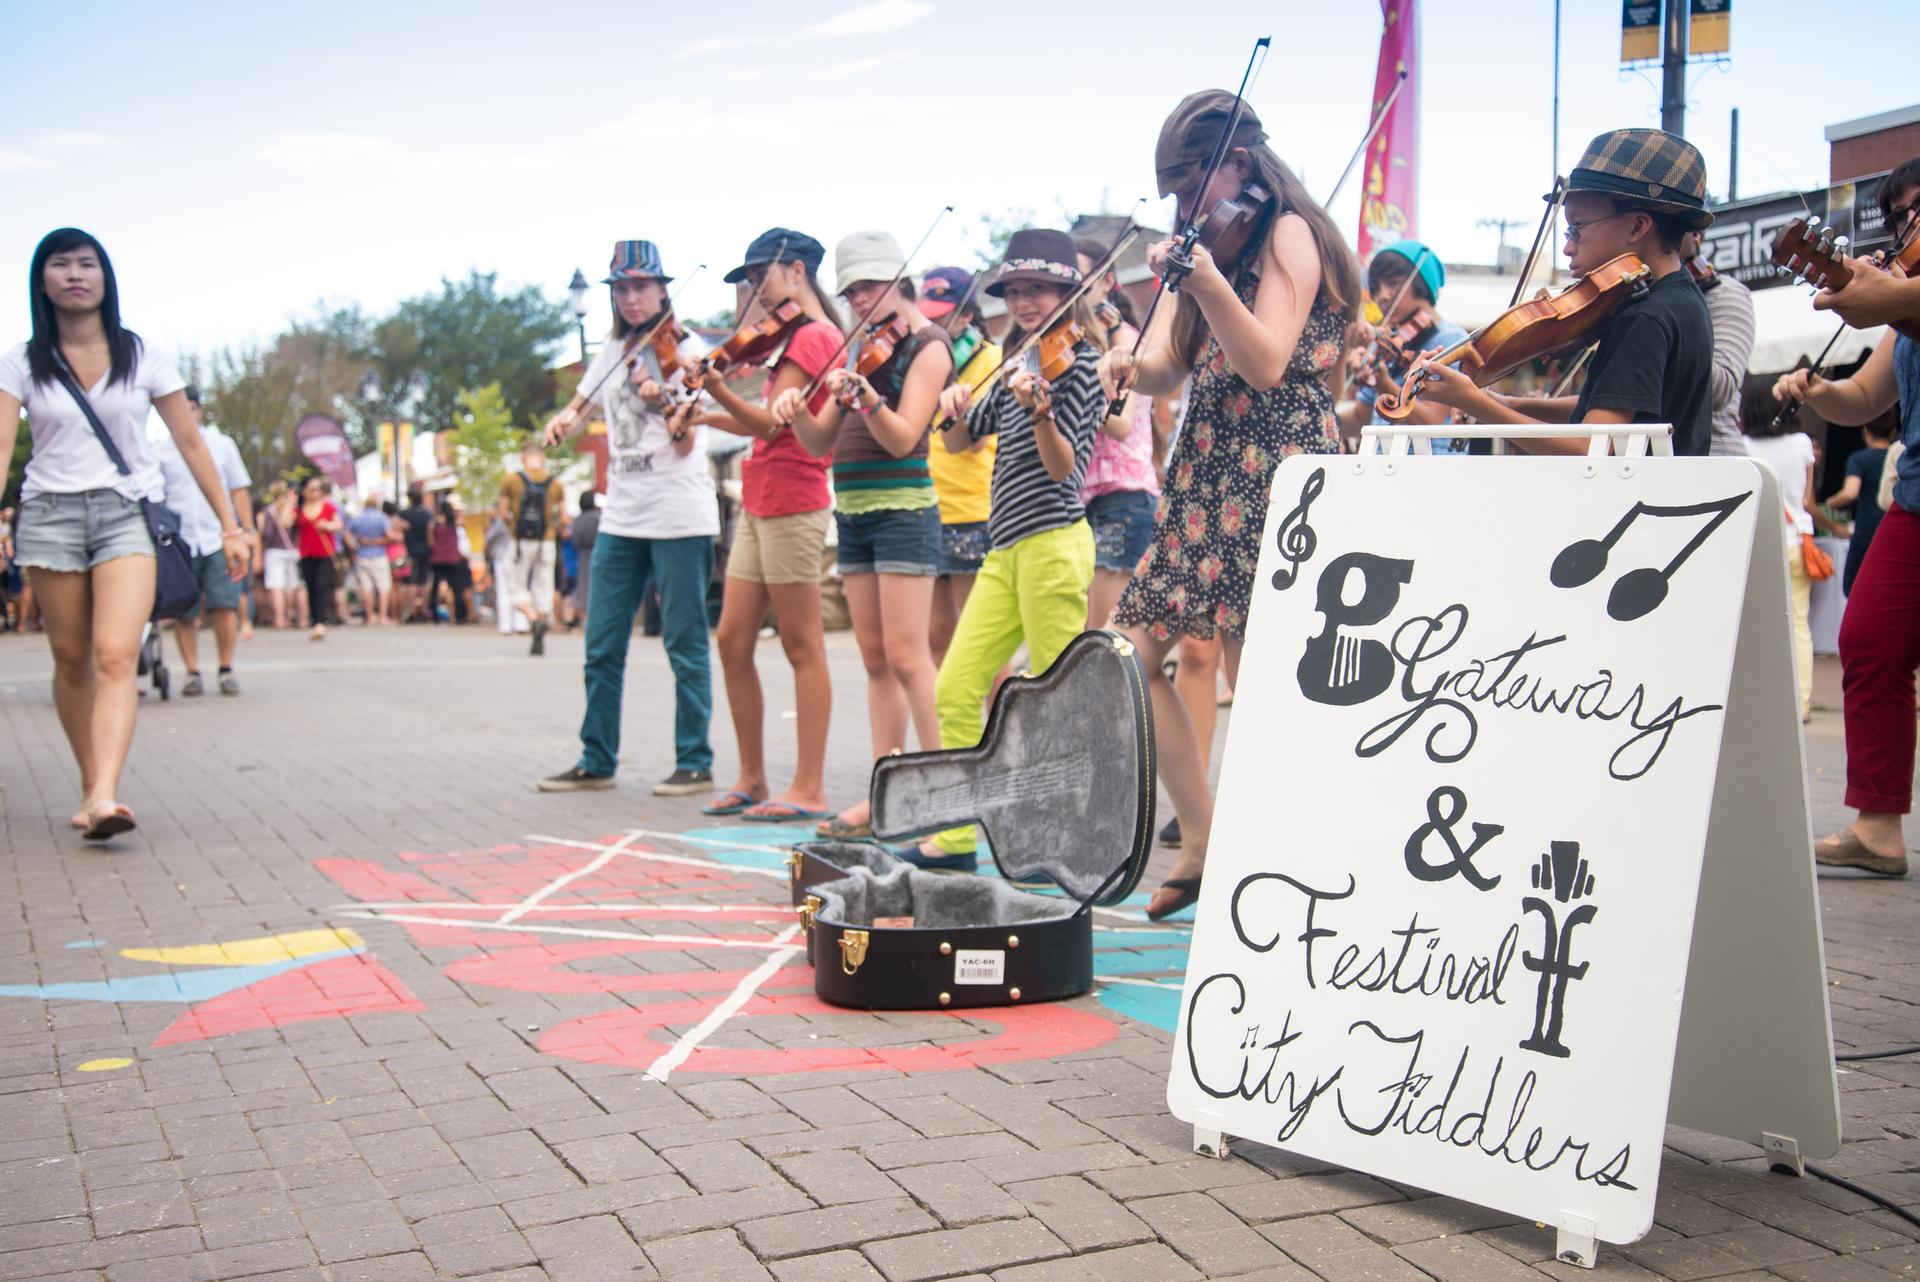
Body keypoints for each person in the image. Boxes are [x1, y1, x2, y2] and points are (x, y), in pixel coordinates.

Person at [1097, 92, 1361, 919]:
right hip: (1210, 463)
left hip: (1275, 458)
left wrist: (1204, 277)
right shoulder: (1203, 246)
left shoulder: (1287, 232)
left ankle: (1282, 858)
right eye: (1172, 191)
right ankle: (1207, 839)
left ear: (1239, 165)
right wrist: (1122, 363)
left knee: (1259, 679)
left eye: (1190, 186)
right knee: (1130, 653)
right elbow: (1171, 367)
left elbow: (1269, 362)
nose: (1182, 207)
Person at [0, 227, 248, 839]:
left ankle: (106, 795)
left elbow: (190, 442)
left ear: (107, 279)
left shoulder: (142, 355)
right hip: (51, 515)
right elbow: (2, 449)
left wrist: (230, 525)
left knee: (116, 653)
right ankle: (90, 784)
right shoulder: (21, 362)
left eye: (88, 264)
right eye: (61, 265)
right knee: (70, 657)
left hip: (125, 515)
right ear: (42, 280)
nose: (76, 274)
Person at [904, 229, 1104, 870]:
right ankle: (960, 837)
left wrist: (1042, 411)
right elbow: (961, 443)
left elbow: (1062, 470)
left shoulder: (1081, 367)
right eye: (1014, 291)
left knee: (1054, 704)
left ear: (1067, 292)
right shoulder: (1011, 361)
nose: (1023, 301)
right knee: (957, 686)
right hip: (1004, 547)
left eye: (1038, 288)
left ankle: (1068, 838)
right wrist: (954, 402)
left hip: (1053, 543)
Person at [771, 231, 955, 839]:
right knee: (875, 658)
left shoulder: (929, 345)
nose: (859, 300)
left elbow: (905, 438)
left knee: (909, 657)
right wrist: (797, 408)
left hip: (904, 510)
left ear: (897, 280)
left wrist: (872, 401)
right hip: (852, 512)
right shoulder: (857, 347)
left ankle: (941, 799)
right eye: (851, 291)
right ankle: (887, 794)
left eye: (870, 286)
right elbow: (820, 443)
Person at [1769, 159, 1920, 877]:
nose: (1908, 226)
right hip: (1916, 497)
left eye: (1918, 209)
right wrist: (1819, 390)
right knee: (1867, 639)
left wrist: (1891, 296)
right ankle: (1879, 825)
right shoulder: (1902, 310)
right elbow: (1864, 398)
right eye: (1898, 217)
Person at [1408, 128, 1716, 458]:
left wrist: (1475, 403)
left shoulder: (1645, 317)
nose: (1567, 247)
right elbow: (1609, 407)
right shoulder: (1684, 299)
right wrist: (1505, 403)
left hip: (1626, 505)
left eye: (1577, 228)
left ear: (1638, 227)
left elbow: (1589, 450)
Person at [538, 240, 716, 796]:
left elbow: (687, 446)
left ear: (663, 289)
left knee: (684, 643)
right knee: (601, 643)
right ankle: (597, 758)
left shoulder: (689, 351)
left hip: (678, 514)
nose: (632, 298)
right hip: (622, 513)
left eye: (641, 287)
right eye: (621, 288)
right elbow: (585, 402)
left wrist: (661, 399)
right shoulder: (613, 347)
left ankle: (694, 760)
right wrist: (564, 419)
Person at [682, 229, 841, 823]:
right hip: (760, 495)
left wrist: (717, 387)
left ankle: (810, 788)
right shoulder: (787, 337)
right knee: (731, 639)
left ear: (797, 271)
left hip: (795, 497)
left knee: (802, 644)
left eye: (761, 277)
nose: (754, 291)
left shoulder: (819, 334)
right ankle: (751, 776)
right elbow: (758, 421)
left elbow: (775, 427)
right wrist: (703, 411)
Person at [1076, 238, 1162, 627]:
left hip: (1122, 497)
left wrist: (1073, 392)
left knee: (1102, 636)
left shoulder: (1123, 340)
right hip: (1088, 498)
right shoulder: (1084, 341)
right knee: (1085, 632)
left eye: (1081, 278)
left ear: (1107, 281)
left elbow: (1121, 422)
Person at [921, 266, 1000, 664]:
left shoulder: (990, 359)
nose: (929, 323)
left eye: (941, 315)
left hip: (972, 507)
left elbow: (978, 442)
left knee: (980, 639)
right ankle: (951, 724)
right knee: (936, 634)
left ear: (967, 315)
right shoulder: (924, 359)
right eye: (926, 314)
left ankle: (998, 725)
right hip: (929, 505)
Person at [151, 384, 252, 695]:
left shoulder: (221, 445)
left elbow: (238, 488)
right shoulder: (159, 450)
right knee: (185, 609)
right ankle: (192, 671)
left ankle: (225, 667)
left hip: (218, 536)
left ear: (199, 409)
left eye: (191, 406)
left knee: (225, 603)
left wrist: (246, 530)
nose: (186, 413)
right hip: (180, 539)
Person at [1740, 385, 1829, 723]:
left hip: (1759, 543)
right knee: (1799, 625)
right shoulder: (1803, 444)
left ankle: (1759, 699)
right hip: (1797, 542)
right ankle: (1801, 704)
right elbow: (1807, 502)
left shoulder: (1743, 447)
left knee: (1756, 624)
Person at [1335, 240, 1472, 452]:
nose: (1382, 295)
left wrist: (1382, 383)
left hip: (1427, 475)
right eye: (1376, 288)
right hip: (1385, 471)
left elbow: (1431, 422)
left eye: (1393, 283)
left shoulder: (1450, 339)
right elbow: (1362, 416)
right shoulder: (1389, 344)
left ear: (1421, 283)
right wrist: (1320, 424)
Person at [1678, 231, 1755, 458]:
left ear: (1697, 235)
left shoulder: (1725, 293)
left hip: (1713, 458)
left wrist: (1667, 313)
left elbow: (1720, 390)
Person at [497, 439, 566, 655]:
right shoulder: (555, 483)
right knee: (544, 585)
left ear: (522, 457)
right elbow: (564, 518)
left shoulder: (512, 480)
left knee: (515, 583)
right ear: (542, 458)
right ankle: (542, 621)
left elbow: (502, 513)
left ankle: (532, 617)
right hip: (546, 540)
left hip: (520, 540)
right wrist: (551, 529)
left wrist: (513, 527)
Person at [1825, 415, 1895, 595]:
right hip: (1892, 527)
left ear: (1865, 430)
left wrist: (1830, 502)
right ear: (1893, 430)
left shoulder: (1859, 459)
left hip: (1866, 531)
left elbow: (1850, 492)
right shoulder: (1898, 457)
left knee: (1854, 587)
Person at [292, 476, 341, 639]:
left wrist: (328, 525)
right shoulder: (299, 509)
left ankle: (320, 623)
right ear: (304, 491)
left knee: (322, 586)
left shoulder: (328, 507)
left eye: (319, 488)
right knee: (311, 587)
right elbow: (285, 522)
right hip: (306, 554)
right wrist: (290, 500)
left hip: (326, 554)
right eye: (313, 489)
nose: (317, 492)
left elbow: (338, 525)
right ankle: (315, 622)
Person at [345, 492, 395, 626]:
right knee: (383, 587)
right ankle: (383, 617)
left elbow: (347, 534)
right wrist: (377, 541)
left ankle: (369, 616)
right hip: (379, 554)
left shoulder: (358, 517)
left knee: (367, 588)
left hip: (362, 555)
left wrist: (355, 546)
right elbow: (390, 536)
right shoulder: (382, 517)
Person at [257, 481, 302, 628]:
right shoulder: (292, 509)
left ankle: (279, 619)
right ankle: (290, 616)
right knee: (291, 586)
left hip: (274, 551)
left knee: (276, 586)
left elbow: (265, 533)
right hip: (292, 550)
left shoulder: (269, 510)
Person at [427, 495, 472, 624]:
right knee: (456, 588)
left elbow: (430, 542)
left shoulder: (434, 524)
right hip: (453, 559)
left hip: (438, 559)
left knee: (435, 588)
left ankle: (434, 615)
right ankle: (459, 615)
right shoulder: (455, 523)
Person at [399, 483, 434, 622]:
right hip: (426, 551)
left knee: (412, 582)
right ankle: (423, 610)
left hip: (410, 551)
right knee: (424, 582)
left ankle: (412, 611)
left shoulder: (405, 514)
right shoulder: (427, 514)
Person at [570, 489, 600, 622]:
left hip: (582, 556)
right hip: (597, 552)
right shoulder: (598, 517)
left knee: (583, 585)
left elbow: (574, 540)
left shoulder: (578, 520)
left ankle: (584, 617)